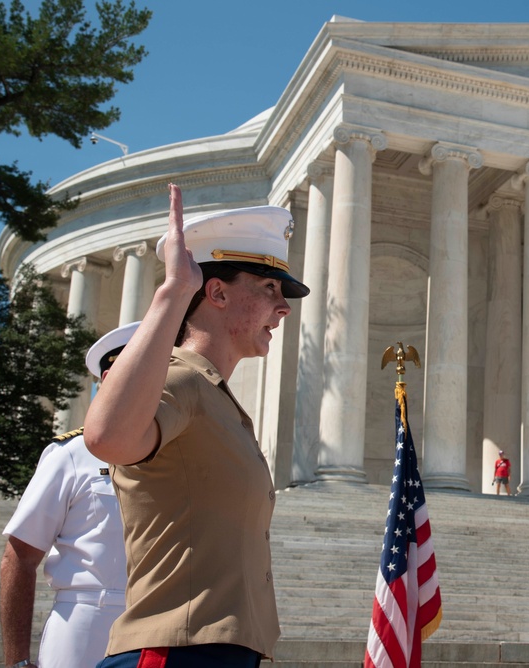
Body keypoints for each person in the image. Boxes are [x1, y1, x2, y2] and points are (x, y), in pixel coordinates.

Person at [84, 184, 309, 667]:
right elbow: (108, 438)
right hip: (178, 651)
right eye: (269, 289)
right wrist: (172, 293)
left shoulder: (217, 397)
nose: (284, 308)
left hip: (219, 650)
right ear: (217, 292)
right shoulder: (180, 378)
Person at [0, 322, 139, 668]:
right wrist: (17, 661)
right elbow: (19, 557)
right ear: (107, 380)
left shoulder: (175, 456)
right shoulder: (72, 454)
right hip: (87, 624)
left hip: (157, 626)